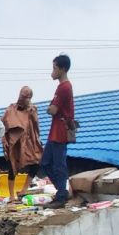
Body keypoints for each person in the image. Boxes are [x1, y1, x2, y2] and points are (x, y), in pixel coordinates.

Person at [42, 54, 75, 208]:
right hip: (55, 130)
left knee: (58, 164)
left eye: (55, 68)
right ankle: (62, 191)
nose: (53, 71)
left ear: (62, 69)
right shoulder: (61, 87)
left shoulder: (64, 87)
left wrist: (50, 109)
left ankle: (62, 195)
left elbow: (53, 109)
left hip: (60, 130)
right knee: (46, 162)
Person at [2, 86, 43, 202]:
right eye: (24, 96)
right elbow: (3, 125)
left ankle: (24, 189)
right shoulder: (11, 109)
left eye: (29, 97)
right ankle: (11, 196)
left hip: (29, 143)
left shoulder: (32, 109)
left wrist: (32, 112)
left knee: (36, 163)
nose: (26, 99)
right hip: (15, 144)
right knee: (12, 168)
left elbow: (36, 125)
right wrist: (5, 141)